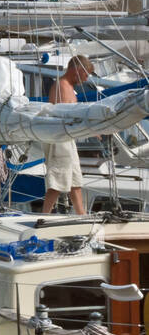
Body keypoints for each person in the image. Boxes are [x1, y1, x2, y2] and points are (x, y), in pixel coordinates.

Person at [42, 54, 93, 215]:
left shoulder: (70, 88)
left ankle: (81, 214)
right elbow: (64, 116)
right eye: (85, 75)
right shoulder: (61, 86)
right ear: (77, 70)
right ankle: (44, 215)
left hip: (68, 139)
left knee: (75, 181)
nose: (85, 80)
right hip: (60, 139)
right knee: (58, 181)